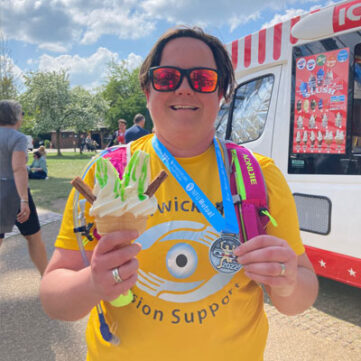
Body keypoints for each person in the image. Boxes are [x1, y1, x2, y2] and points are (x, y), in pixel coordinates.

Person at [40, 27, 318, 360]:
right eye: (168, 77)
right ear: (147, 90)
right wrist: (92, 284)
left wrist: (287, 282)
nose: (184, 88)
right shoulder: (106, 175)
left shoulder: (258, 174)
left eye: (202, 79)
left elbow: (301, 294)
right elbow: (53, 297)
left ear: (222, 94)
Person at [0, 100, 48, 275]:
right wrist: (23, 200)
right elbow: (18, 168)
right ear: (15, 116)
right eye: (21, 114)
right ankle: (47, 278)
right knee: (33, 237)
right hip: (13, 192)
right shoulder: (18, 137)